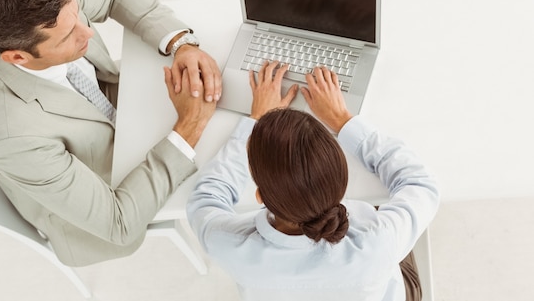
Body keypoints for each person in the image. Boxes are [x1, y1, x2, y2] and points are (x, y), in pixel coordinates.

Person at [0, 0, 219, 267]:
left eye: (78, 17)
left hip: (108, 112)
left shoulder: (37, 6)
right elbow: (119, 223)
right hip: (105, 200)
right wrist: (191, 124)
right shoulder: (14, 139)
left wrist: (181, 44)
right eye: (69, 35)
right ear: (18, 56)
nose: (88, 32)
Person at [187, 61, 440, 301]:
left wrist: (256, 121)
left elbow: (206, 199)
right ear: (341, 185)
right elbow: (420, 184)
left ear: (260, 198)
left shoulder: (229, 245)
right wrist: (343, 121)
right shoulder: (377, 239)